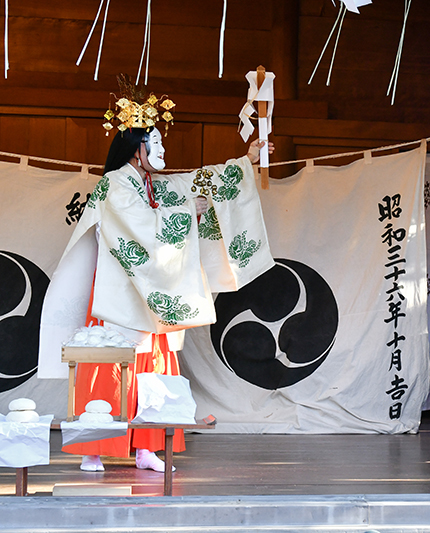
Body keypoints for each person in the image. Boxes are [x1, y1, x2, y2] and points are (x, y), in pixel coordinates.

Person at [39, 92, 275, 472]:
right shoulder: (117, 184)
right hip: (118, 296)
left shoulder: (151, 183)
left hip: (150, 296)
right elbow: (139, 227)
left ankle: (148, 447)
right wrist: (185, 211)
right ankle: (93, 449)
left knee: (155, 370)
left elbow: (193, 182)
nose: (162, 149)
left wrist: (244, 162)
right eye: (156, 142)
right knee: (109, 367)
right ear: (136, 150)